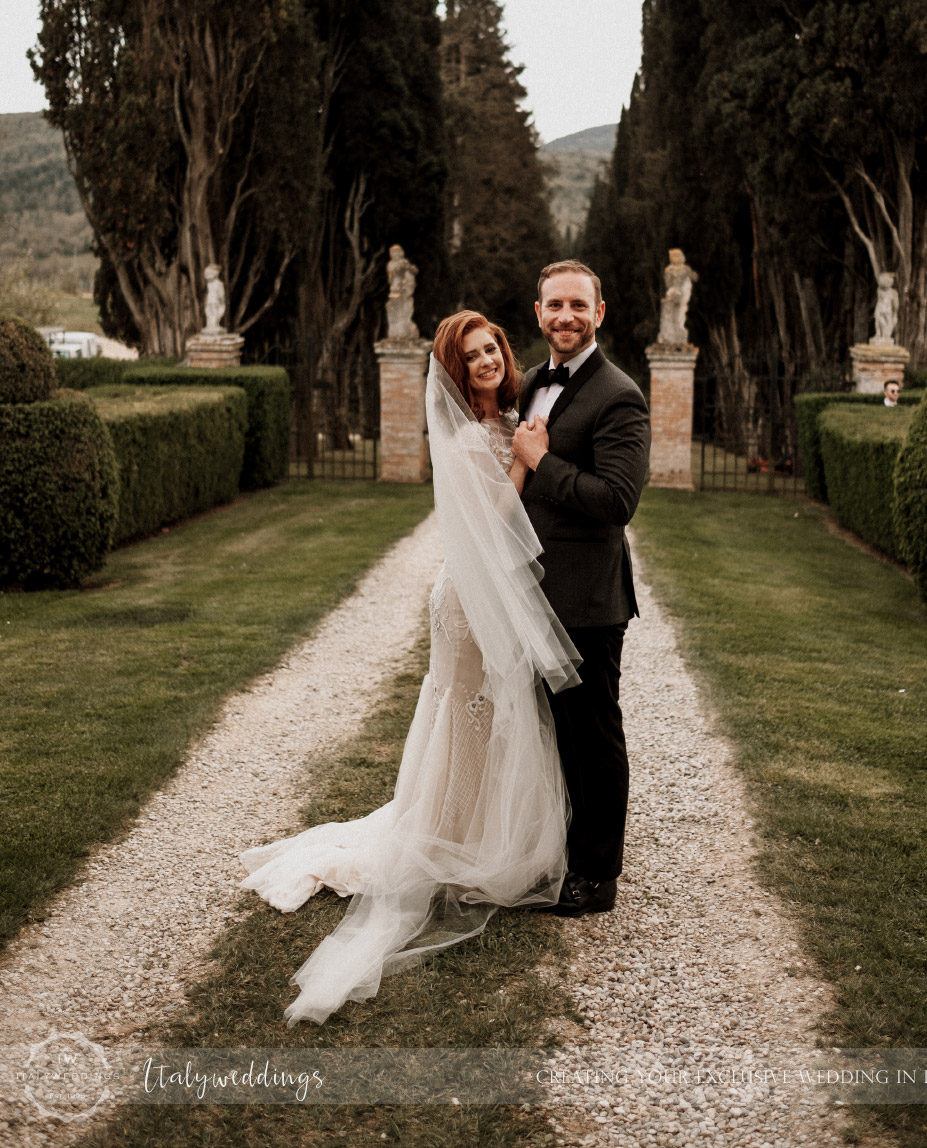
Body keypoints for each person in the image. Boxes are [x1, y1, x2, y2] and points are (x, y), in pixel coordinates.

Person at [240, 311, 581, 1024]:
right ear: (455, 371)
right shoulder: (460, 437)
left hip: (499, 593)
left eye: (493, 348)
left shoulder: (512, 416)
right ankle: (448, 839)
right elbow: (492, 518)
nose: (487, 359)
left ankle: (484, 834)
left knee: (501, 711)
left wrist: (522, 443)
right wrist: (524, 458)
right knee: (468, 710)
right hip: (465, 602)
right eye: (472, 355)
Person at [513, 259, 651, 917]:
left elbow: (616, 500)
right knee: (549, 734)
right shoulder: (536, 381)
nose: (564, 316)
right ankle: (557, 852)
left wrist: (545, 465)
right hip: (535, 592)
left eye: (577, 305)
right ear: (537, 313)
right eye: (553, 305)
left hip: (588, 600)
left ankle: (597, 878)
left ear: (600, 313)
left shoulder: (618, 393)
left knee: (593, 736)